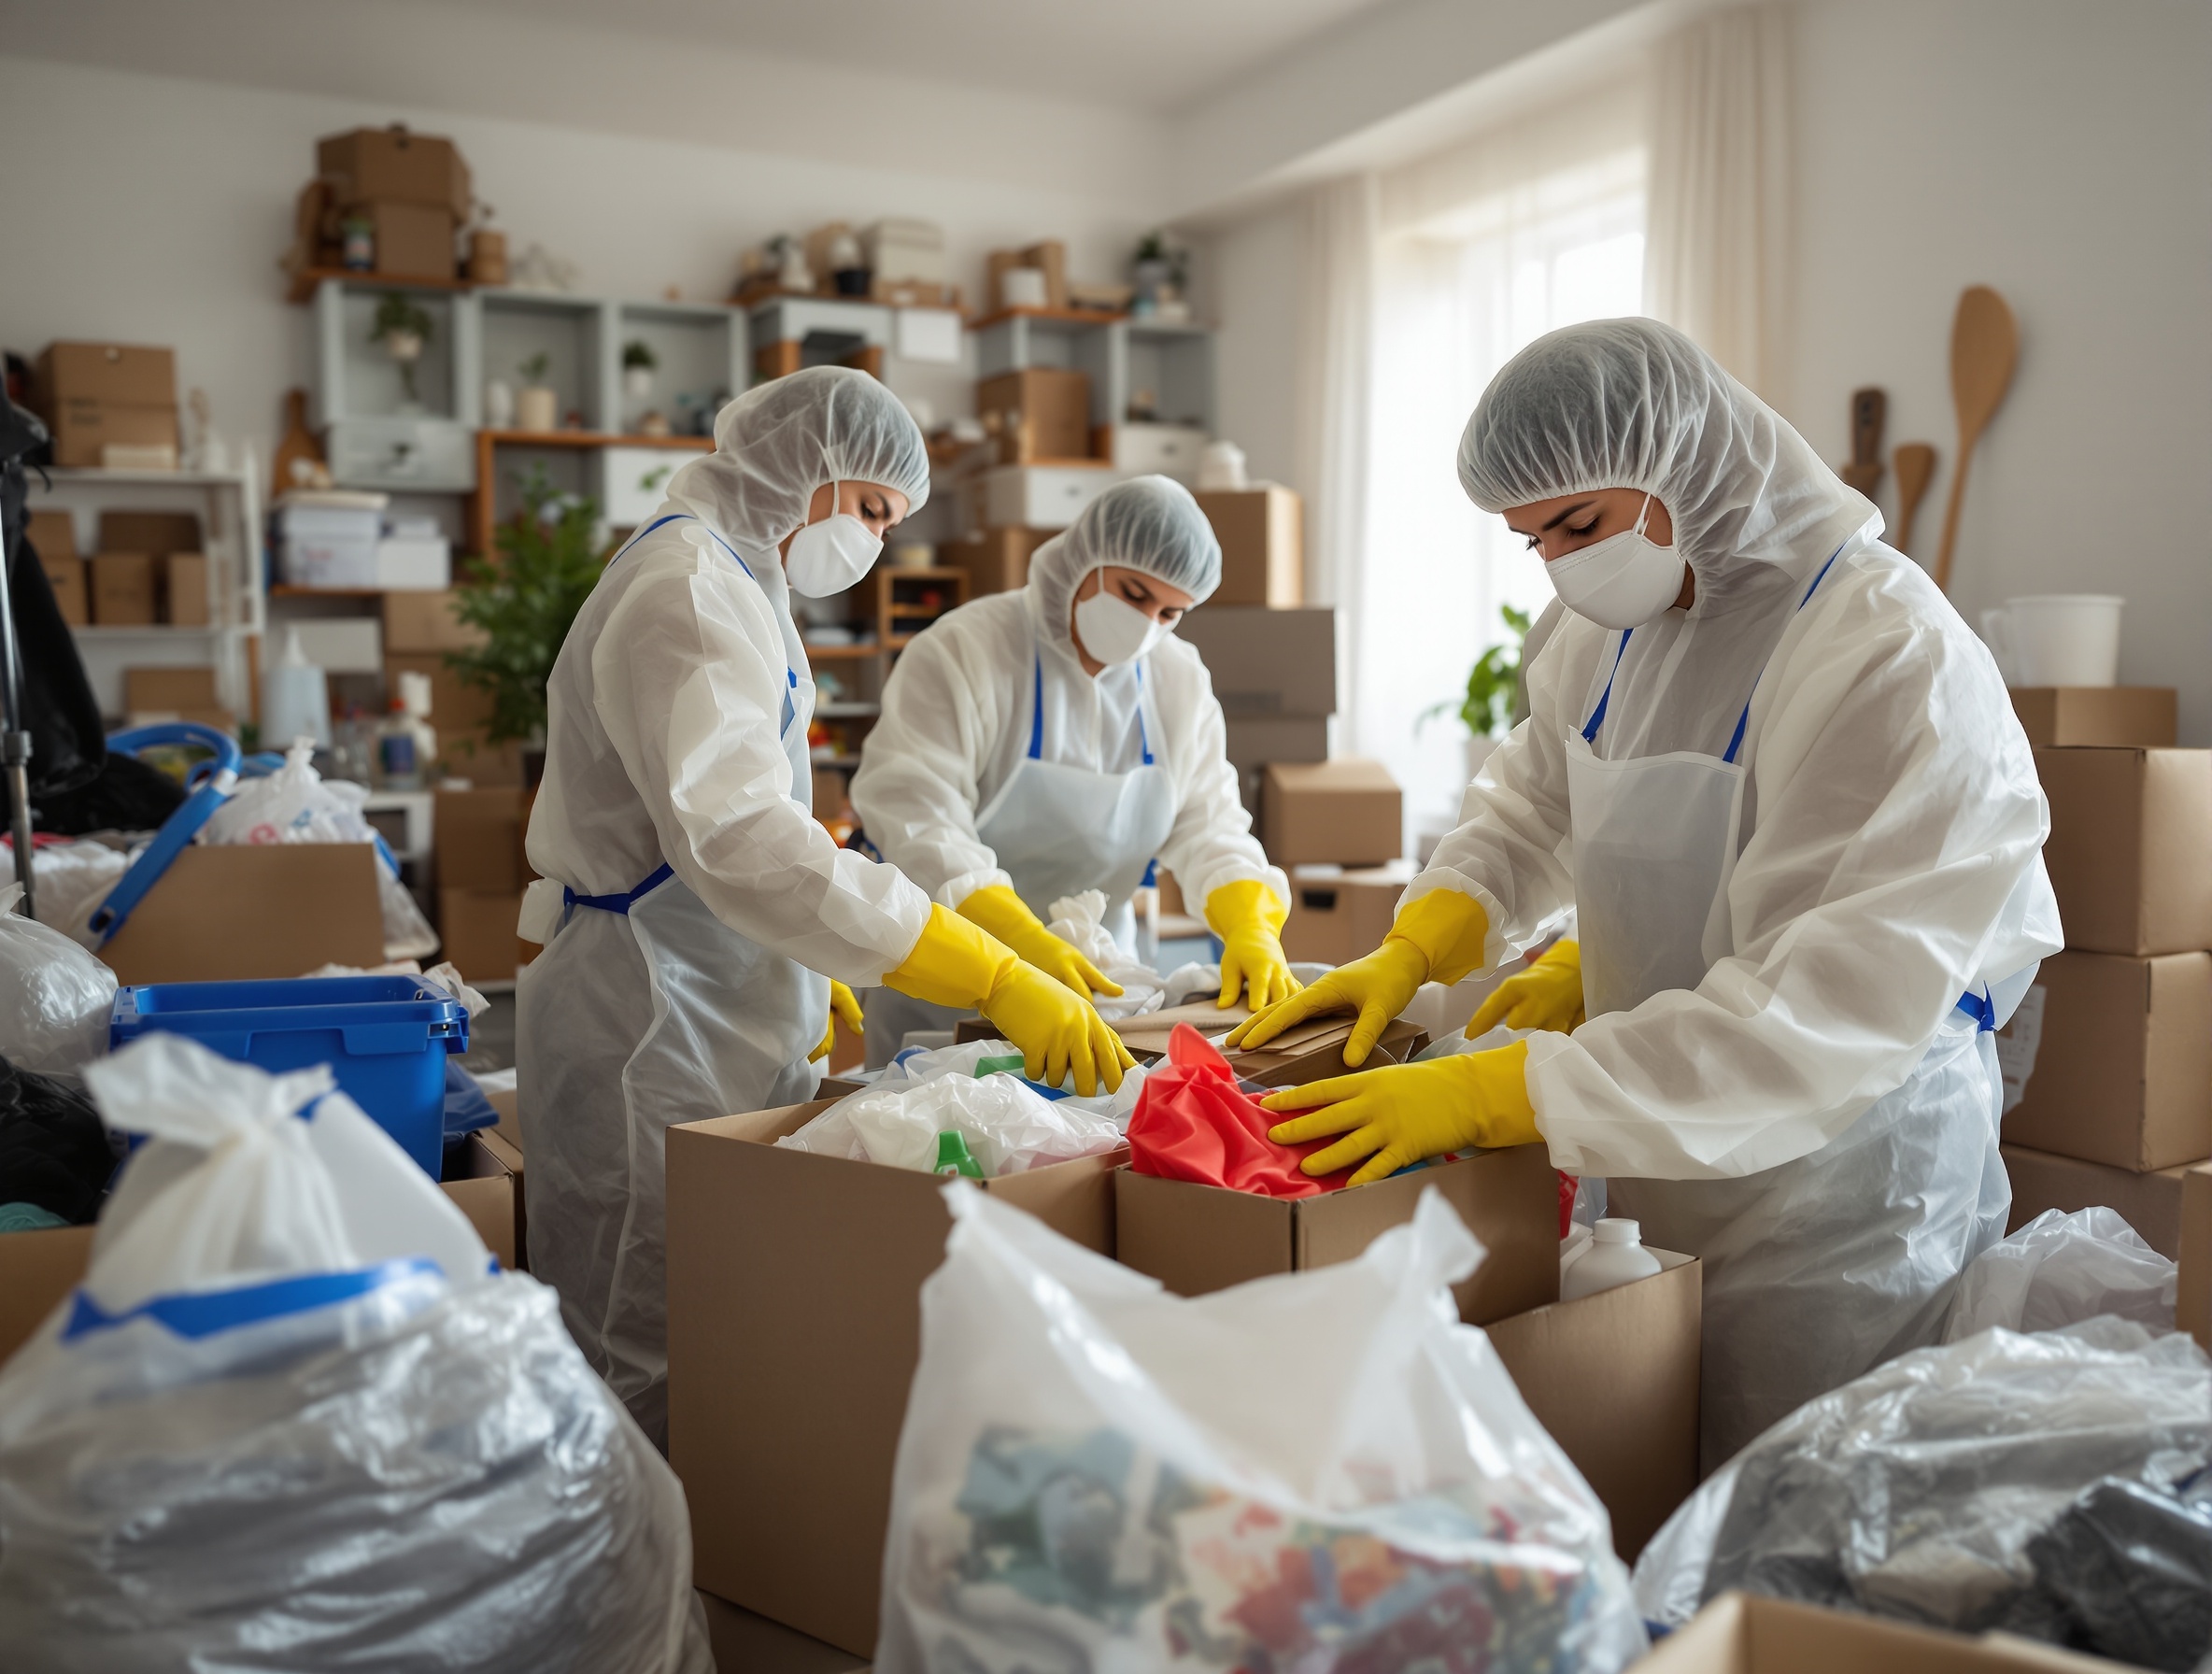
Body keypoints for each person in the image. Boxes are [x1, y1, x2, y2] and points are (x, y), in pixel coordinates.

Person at [1231, 319, 2060, 1467]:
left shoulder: (1886, 654)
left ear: (1692, 460)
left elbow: (1816, 1017)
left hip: (1843, 1184)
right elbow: (1528, 803)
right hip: (1650, 1122)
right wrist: (1419, 942)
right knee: (1646, 1476)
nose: (1563, 566)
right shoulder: (1606, 631)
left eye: (1581, 523)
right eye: (1534, 541)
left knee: (1790, 1509)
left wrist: (1499, 1091)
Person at [516, 368, 1131, 1446]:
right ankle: (641, 1594)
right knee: (637, 1329)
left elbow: (753, 827)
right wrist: (979, 968)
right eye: (872, 513)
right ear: (803, 469)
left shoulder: (742, 582)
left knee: (718, 1314)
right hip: (648, 1010)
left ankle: (711, 1565)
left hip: (707, 985)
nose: (878, 545)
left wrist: (819, 967)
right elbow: (743, 840)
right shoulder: (688, 592)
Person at [849, 475, 1297, 1066]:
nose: (1147, 626)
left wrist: (1251, 925)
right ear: (1085, 555)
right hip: (954, 982)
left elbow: (1208, 824)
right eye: (1134, 594)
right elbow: (920, 824)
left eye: (1170, 612)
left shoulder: (1177, 678)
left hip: (1099, 983)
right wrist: (1021, 944)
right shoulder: (966, 651)